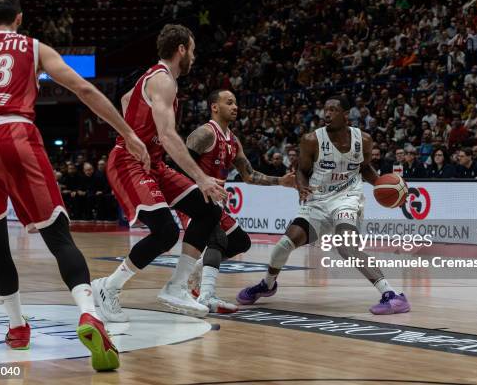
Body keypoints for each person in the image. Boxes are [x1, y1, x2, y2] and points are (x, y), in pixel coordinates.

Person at [0, 0, 150, 371]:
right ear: (20, 18)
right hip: (15, 132)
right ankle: (90, 315)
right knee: (57, 235)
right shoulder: (33, 46)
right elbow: (84, 89)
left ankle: (17, 326)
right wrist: (128, 133)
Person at [92, 24, 227, 322]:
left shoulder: (154, 79)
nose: (194, 55)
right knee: (165, 231)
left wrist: (132, 132)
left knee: (208, 210)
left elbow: (127, 99)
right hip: (128, 162)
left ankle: (176, 287)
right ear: (181, 50)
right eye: (192, 49)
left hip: (152, 162)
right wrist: (201, 178)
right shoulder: (163, 80)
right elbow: (167, 135)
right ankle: (108, 288)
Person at [237, 95, 410, 315]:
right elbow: (301, 170)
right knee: (283, 245)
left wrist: (383, 188)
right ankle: (268, 284)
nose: (326, 114)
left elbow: (364, 168)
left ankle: (393, 295)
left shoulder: (363, 140)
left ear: (346, 115)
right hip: (318, 201)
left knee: (346, 246)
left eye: (333, 110)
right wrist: (301, 186)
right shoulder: (311, 140)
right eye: (325, 109)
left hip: (348, 198)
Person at [177, 89, 295, 313]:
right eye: (229, 102)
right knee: (217, 240)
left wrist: (281, 181)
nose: (235, 107)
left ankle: (194, 274)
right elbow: (178, 168)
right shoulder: (203, 134)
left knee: (241, 242)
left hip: (214, 203)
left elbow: (249, 175)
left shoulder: (233, 141)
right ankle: (206, 296)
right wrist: (201, 181)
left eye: (235, 103)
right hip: (194, 200)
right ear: (214, 107)